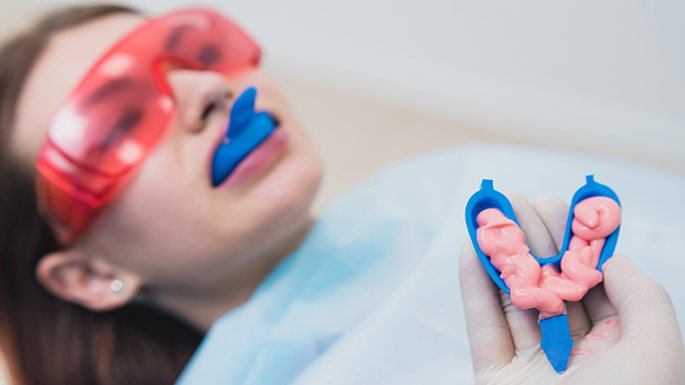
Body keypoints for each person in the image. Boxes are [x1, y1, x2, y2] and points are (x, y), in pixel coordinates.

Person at [0, 4, 682, 385]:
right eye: (118, 124)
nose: (210, 90)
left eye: (198, 54)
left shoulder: (453, 184)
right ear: (91, 273)